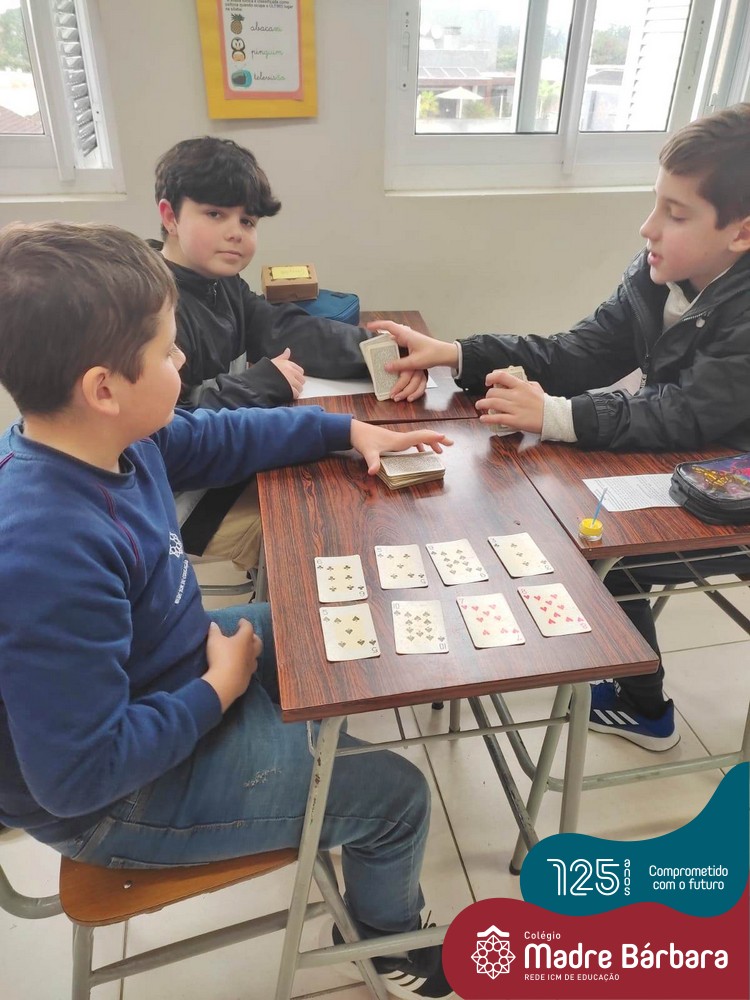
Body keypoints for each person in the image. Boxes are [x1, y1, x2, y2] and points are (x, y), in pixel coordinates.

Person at [0, 221, 455, 1000]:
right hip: (115, 800)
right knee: (397, 797)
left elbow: (222, 434)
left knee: (333, 624)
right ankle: (392, 947)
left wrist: (347, 429)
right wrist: (218, 690)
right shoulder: (49, 549)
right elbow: (78, 778)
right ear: (104, 388)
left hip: (168, 677)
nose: (183, 361)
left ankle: (301, 766)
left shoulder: (113, 440)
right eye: (167, 351)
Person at [374, 102, 750, 754]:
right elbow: (578, 353)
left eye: (676, 213)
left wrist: (558, 415)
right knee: (572, 509)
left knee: (605, 541)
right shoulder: (658, 274)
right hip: (690, 461)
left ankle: (644, 708)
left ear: (741, 233)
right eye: (655, 203)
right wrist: (458, 353)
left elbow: (687, 413)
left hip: (731, 490)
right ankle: (621, 669)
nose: (648, 227)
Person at [150, 136, 426, 575]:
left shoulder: (221, 282)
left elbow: (286, 329)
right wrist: (262, 383)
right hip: (181, 500)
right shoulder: (150, 304)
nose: (235, 232)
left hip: (226, 462)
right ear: (170, 217)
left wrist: (391, 354)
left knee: (347, 482)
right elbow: (170, 426)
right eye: (215, 214)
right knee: (325, 521)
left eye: (247, 220)